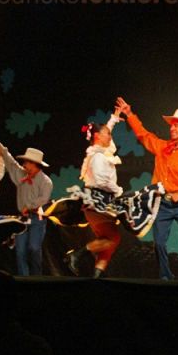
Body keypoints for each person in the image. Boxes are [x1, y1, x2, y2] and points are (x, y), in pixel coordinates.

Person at [115, 97, 178, 280]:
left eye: (176, 126)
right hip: (161, 203)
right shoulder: (162, 147)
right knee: (159, 244)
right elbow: (143, 135)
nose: (172, 128)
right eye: (171, 125)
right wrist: (128, 114)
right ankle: (165, 277)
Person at [64, 111, 124, 278]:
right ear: (97, 136)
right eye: (108, 134)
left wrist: (113, 120)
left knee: (111, 240)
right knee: (112, 238)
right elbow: (101, 181)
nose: (110, 137)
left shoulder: (102, 152)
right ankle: (76, 255)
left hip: (102, 201)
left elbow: (107, 140)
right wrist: (118, 190)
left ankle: (97, 276)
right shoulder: (97, 157)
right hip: (97, 200)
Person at [0, 142, 53, 276]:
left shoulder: (46, 181)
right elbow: (11, 163)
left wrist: (30, 206)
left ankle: (36, 278)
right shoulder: (21, 175)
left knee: (33, 248)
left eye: (27, 162)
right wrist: (1, 148)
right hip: (23, 218)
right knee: (20, 250)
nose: (24, 165)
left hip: (37, 219)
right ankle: (24, 280)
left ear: (35, 164)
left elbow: (43, 198)